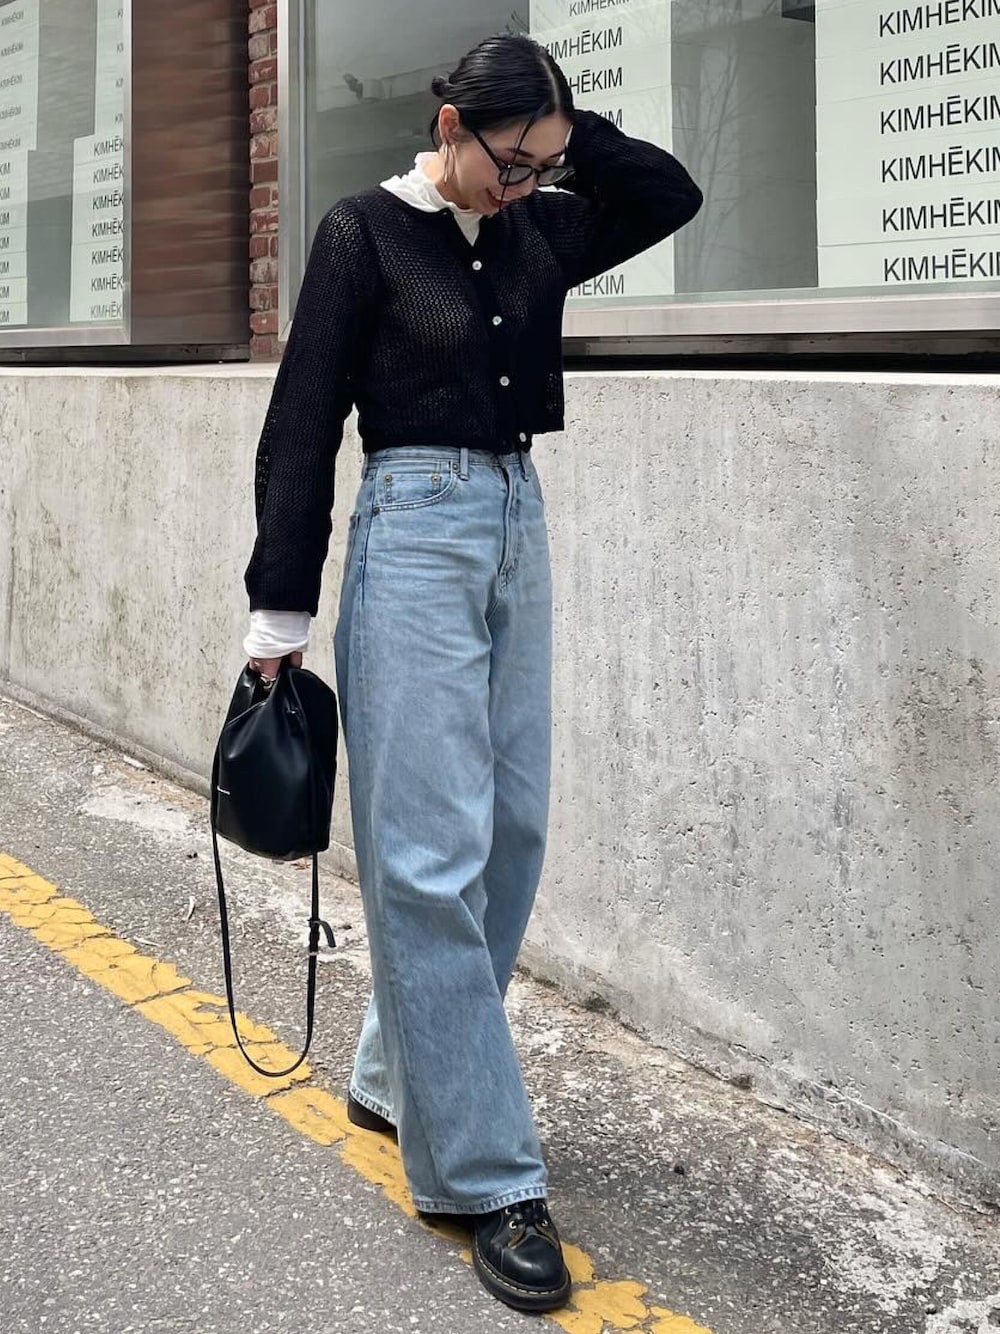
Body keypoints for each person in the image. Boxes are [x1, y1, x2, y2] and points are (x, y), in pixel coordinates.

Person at [242, 32, 701, 1313]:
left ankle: (399, 1075)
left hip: (515, 524)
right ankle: (486, 1174)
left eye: (545, 166)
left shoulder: (538, 227)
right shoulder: (362, 233)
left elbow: (666, 194)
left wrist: (560, 125)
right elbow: (302, 418)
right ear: (449, 124)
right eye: (512, 159)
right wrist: (278, 607)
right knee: (427, 851)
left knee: (511, 832)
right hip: (412, 527)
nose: (528, 184)